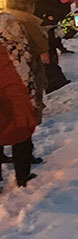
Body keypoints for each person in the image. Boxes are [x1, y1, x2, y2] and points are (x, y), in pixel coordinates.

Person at [0, 14, 40, 188]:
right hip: (17, 96)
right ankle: (22, 176)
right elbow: (26, 72)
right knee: (22, 134)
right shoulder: (16, 46)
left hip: (8, 95)